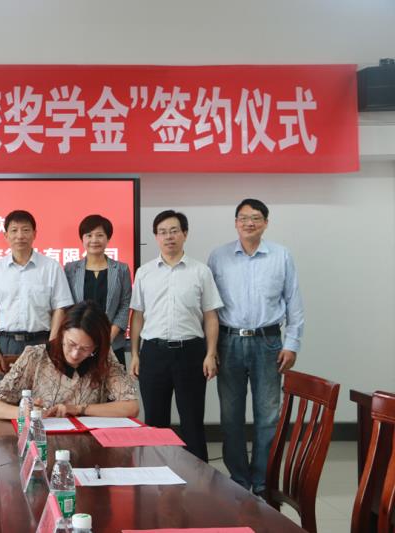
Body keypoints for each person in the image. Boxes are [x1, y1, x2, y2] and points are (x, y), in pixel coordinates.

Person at [207, 198, 304, 496]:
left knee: (268, 416)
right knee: (231, 416)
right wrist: (211, 348)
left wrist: (292, 344)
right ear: (235, 222)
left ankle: (262, 482)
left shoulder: (281, 255)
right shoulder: (218, 256)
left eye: (256, 218)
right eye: (243, 218)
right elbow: (209, 307)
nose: (249, 223)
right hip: (228, 342)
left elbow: (294, 302)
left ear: (266, 223)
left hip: (268, 342)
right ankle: (239, 481)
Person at [128, 209, 222, 462]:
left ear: (185, 234)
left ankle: (198, 479)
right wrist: (135, 354)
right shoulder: (144, 272)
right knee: (155, 421)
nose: (168, 237)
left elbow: (211, 316)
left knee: (192, 419)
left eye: (174, 231)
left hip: (190, 352)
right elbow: (137, 316)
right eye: (162, 232)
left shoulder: (201, 271)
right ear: (156, 237)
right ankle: (156, 473)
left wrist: (211, 354)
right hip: (153, 352)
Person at [0, 301, 139, 419]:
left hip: (89, 443)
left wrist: (79, 409)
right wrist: (25, 412)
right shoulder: (36, 356)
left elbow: (131, 407)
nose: (75, 354)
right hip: (43, 441)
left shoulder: (104, 358)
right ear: (62, 333)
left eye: (85, 348)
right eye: (71, 344)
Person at [0, 210, 74, 383]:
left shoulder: (51, 267)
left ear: (34, 234)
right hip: (7, 344)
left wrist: (52, 345)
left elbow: (60, 309)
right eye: (14, 230)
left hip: (41, 340)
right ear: (6, 235)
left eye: (25, 230)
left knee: (42, 395)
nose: (20, 236)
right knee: (5, 396)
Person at [64, 214, 132, 367]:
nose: (94, 240)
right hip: (78, 346)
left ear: (108, 239)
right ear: (82, 239)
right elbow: (67, 305)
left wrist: (108, 337)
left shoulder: (121, 269)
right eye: (89, 235)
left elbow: (125, 304)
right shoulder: (70, 269)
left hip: (112, 344)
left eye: (100, 235)